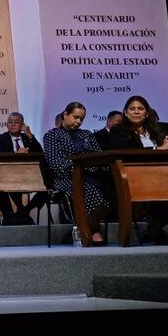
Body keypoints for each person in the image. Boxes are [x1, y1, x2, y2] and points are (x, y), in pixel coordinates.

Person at [103, 95, 168, 244]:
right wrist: (157, 149)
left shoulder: (156, 130)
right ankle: (154, 228)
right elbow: (124, 152)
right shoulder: (118, 131)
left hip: (162, 174)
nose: (136, 111)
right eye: (132, 109)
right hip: (133, 175)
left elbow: (165, 149)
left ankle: (155, 227)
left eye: (140, 109)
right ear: (126, 112)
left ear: (147, 113)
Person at [43, 101, 110, 246]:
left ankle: (86, 229)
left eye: (81, 119)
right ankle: (92, 231)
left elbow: (98, 156)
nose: (78, 121)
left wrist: (91, 168)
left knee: (110, 188)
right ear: (65, 114)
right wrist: (79, 167)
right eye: (75, 117)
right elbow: (55, 163)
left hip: (90, 176)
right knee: (90, 190)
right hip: (65, 178)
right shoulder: (52, 135)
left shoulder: (86, 134)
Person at [0, 112, 45, 225]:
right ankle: (13, 215)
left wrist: (29, 134)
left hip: (30, 174)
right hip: (8, 174)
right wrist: (16, 154)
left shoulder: (27, 138)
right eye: (10, 122)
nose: (12, 124)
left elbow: (40, 152)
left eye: (16, 122)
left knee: (48, 186)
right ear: (6, 124)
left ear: (22, 125)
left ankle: (24, 211)